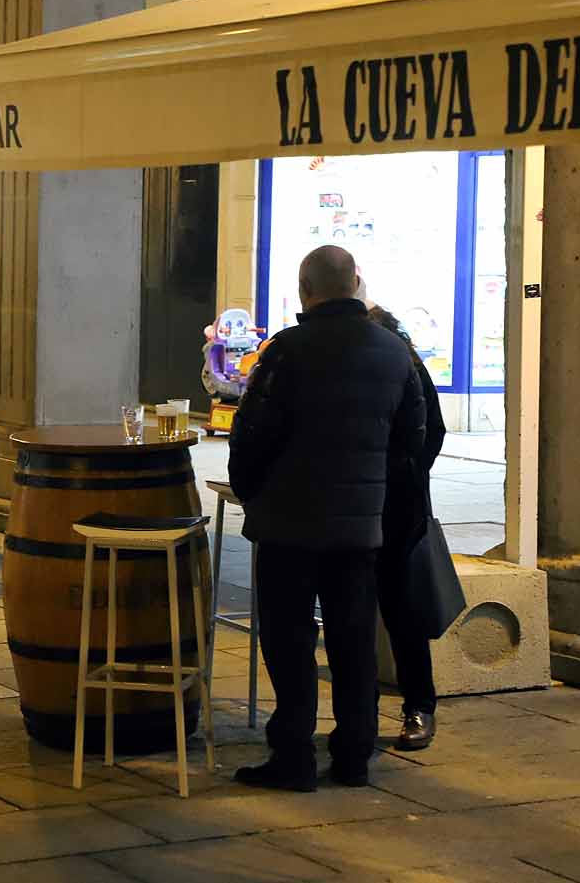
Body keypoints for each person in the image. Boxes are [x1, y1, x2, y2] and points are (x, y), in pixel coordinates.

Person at [228, 245, 426, 791]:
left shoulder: (287, 352)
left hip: (288, 523)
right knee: (354, 639)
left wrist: (252, 492)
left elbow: (252, 434)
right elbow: (416, 439)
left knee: (290, 642)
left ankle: (292, 754)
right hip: (361, 526)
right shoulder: (395, 353)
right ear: (357, 283)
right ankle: (354, 753)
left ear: (305, 290)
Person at [368, 305, 446, 751]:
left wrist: (404, 475)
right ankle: (363, 710)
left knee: (403, 614)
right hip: (359, 505)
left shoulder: (406, 365)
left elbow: (430, 432)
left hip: (397, 510)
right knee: (359, 612)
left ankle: (420, 705)